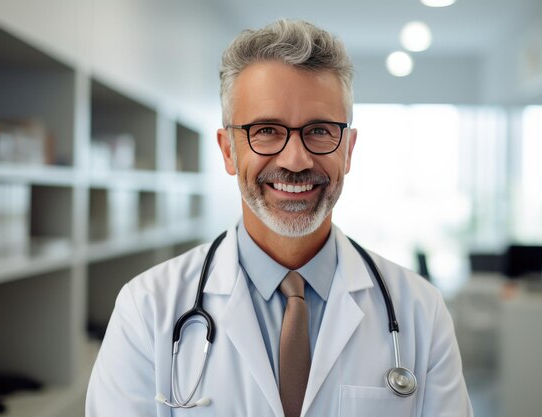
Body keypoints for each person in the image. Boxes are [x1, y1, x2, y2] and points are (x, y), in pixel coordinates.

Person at [86, 19, 473, 417]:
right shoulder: (147, 309)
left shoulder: (420, 311)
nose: (295, 160)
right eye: (266, 130)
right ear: (228, 151)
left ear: (349, 150)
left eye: (320, 131)